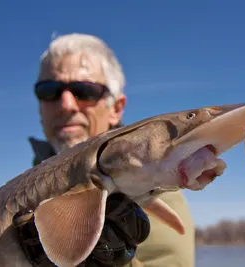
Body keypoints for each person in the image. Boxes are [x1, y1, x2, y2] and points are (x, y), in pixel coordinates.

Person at [13, 33, 195, 267]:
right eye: (50, 91)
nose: (66, 105)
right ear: (40, 107)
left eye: (85, 91)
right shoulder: (9, 197)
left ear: (116, 109)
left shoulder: (152, 186)